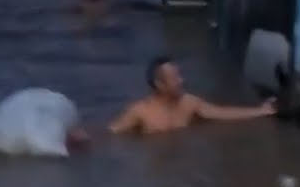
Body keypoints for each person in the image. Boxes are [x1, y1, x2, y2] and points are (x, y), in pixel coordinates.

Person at [110, 56, 276, 135]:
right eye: (175, 78)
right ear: (160, 85)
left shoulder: (189, 103)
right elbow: (113, 134)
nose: (182, 81)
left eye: (180, 76)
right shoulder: (140, 112)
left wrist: (261, 111)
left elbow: (223, 113)